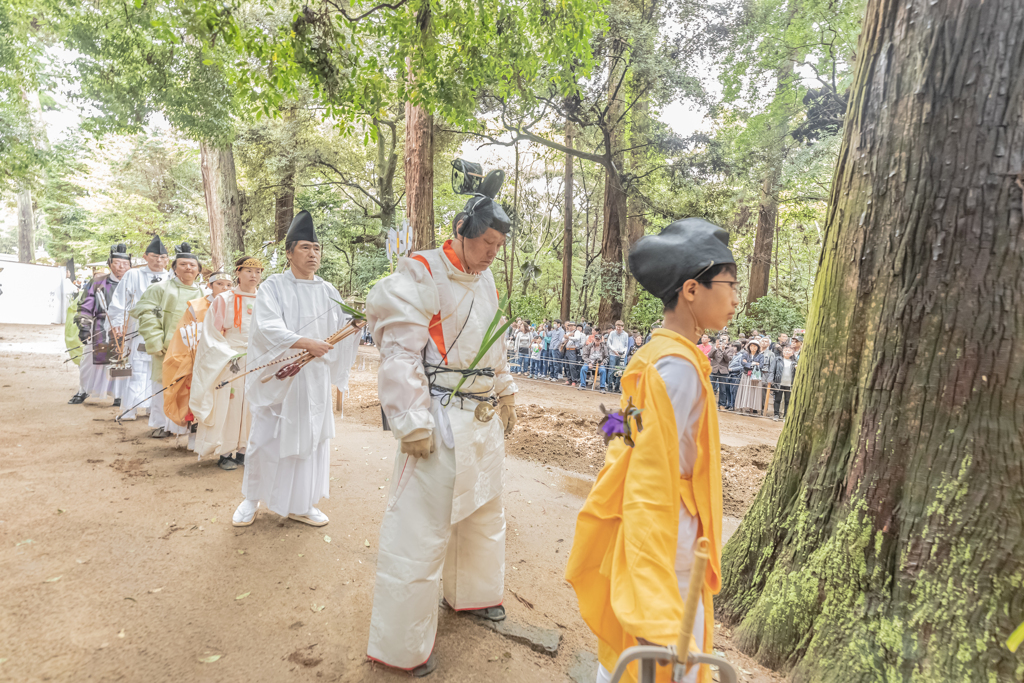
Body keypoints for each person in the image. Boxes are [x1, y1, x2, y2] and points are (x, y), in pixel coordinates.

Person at [566, 217, 737, 683]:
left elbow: (616, 431)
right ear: (691, 290)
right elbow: (647, 471)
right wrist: (649, 579)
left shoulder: (650, 354)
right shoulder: (677, 369)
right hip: (668, 536)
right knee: (663, 650)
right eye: (729, 282)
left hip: (659, 527)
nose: (736, 296)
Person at [365, 195, 518, 677]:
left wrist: (506, 389)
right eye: (486, 242)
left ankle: (473, 595)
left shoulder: (486, 276)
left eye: (499, 245)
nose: (493, 252)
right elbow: (399, 351)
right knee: (419, 529)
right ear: (460, 231)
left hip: (481, 416)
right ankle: (401, 644)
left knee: (484, 512)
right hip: (438, 414)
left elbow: (494, 343)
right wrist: (409, 419)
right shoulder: (420, 271)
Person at [231, 212, 358, 527]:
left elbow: (342, 329)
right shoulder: (273, 286)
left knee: (310, 440)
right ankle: (251, 500)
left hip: (313, 379)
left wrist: (355, 326)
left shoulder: (328, 290)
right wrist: (306, 343)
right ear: (289, 253)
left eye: (316, 248)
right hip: (281, 378)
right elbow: (266, 328)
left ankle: (302, 503)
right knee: (265, 439)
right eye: (305, 248)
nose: (313, 254)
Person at [190, 257, 263, 469]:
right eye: (248, 270)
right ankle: (225, 452)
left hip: (257, 358)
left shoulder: (267, 299)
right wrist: (227, 353)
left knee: (252, 404)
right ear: (238, 273)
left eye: (258, 271)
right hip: (229, 357)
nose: (253, 275)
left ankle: (244, 450)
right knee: (229, 404)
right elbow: (211, 332)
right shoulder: (224, 300)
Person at [131, 243, 204, 438]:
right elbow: (146, 314)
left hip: (194, 349)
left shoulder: (205, 293)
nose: (188, 268)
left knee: (190, 387)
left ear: (199, 270)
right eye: (183, 264)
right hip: (166, 346)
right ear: (174, 268)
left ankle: (188, 423)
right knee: (163, 386)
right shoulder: (160, 288)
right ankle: (163, 424)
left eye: (192, 265)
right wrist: (155, 341)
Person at [160, 271, 234, 440]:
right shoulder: (197, 306)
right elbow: (184, 333)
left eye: (229, 285)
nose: (224, 288)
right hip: (200, 356)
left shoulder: (234, 304)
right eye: (219, 284)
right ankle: (196, 439)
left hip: (226, 357)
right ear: (209, 286)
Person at [108, 236, 169, 420]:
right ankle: (130, 408)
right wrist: (117, 324)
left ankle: (154, 408)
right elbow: (119, 301)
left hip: (164, 329)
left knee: (159, 370)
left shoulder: (172, 277)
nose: (158, 260)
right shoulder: (133, 275)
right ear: (145, 256)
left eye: (163, 257)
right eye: (154, 256)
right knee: (138, 367)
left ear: (167, 259)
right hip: (138, 328)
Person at [69, 244, 132, 405]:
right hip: (100, 326)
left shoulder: (134, 282)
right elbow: (85, 305)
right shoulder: (98, 282)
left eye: (125, 264)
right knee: (88, 363)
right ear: (110, 263)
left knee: (122, 361)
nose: (121, 267)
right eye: (117, 262)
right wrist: (84, 326)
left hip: (126, 327)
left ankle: (119, 394)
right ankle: (83, 390)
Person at [733, 340, 764, 414]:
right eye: (751, 346)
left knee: (754, 392)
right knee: (744, 391)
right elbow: (743, 363)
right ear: (749, 346)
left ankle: (751, 409)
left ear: (758, 347)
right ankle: (742, 407)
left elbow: (761, 365)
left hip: (755, 376)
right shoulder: (745, 354)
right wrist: (754, 363)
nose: (753, 347)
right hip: (746, 375)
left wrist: (749, 363)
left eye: (755, 346)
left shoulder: (761, 355)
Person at [771, 345, 797, 421]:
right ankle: (776, 414)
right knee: (777, 399)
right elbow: (772, 370)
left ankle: (786, 416)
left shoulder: (794, 362)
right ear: (782, 351)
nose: (787, 352)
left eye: (789, 350)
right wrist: (771, 380)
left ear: (792, 353)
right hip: (779, 382)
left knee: (787, 401)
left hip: (789, 384)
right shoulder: (777, 359)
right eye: (785, 350)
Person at [708, 335, 733, 409]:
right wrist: (716, 348)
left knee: (723, 389)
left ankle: (721, 405)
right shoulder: (714, 346)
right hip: (714, 369)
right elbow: (710, 355)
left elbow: (728, 359)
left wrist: (723, 350)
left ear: (727, 341)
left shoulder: (730, 349)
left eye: (725, 339)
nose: (723, 340)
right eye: (722, 339)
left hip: (723, 371)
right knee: (710, 388)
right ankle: (709, 404)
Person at [579, 328, 608, 392]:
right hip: (589, 362)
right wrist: (589, 362)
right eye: (596, 339)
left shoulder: (604, 347)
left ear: (601, 340)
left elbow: (607, 357)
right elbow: (584, 355)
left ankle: (602, 387)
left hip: (600, 363)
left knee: (603, 370)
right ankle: (583, 385)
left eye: (598, 339)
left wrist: (603, 362)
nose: (597, 340)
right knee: (583, 369)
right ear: (594, 339)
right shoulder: (589, 346)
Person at [605, 320, 629, 392]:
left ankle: (617, 387)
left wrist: (624, 352)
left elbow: (626, 345)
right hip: (613, 354)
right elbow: (609, 344)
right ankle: (609, 386)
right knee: (611, 370)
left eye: (620, 327)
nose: (618, 329)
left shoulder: (625, 335)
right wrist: (614, 350)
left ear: (623, 327)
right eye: (617, 327)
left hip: (621, 354)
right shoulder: (612, 333)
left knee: (620, 371)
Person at [564, 321, 585, 387]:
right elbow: (562, 340)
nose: (570, 327)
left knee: (572, 366)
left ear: (575, 326)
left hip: (573, 350)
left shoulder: (577, 332)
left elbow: (577, 338)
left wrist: (569, 337)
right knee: (566, 366)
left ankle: (574, 380)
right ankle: (569, 378)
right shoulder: (568, 332)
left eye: (572, 326)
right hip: (567, 350)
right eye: (569, 326)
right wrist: (567, 337)